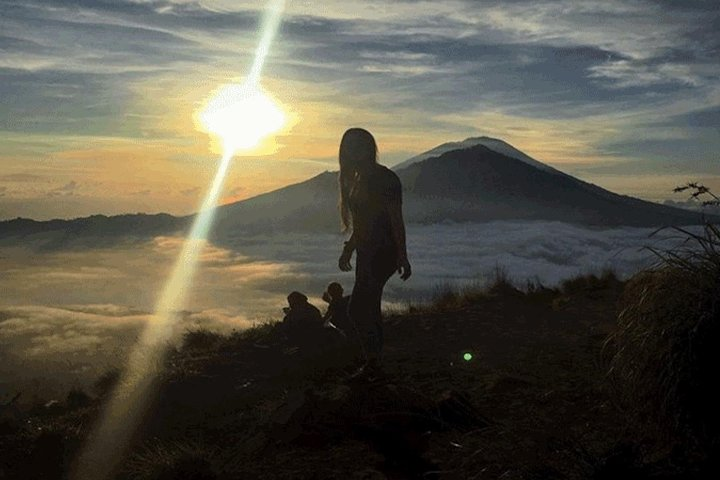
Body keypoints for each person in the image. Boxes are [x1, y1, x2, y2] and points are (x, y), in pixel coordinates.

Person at [337, 128, 411, 369]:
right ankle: (374, 360)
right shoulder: (359, 180)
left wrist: (402, 254)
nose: (351, 152)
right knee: (369, 306)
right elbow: (363, 223)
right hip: (368, 252)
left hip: (382, 253)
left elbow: (395, 220)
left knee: (358, 309)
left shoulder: (385, 179)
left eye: (356, 147)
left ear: (368, 148)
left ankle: (372, 361)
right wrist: (349, 248)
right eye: (348, 147)